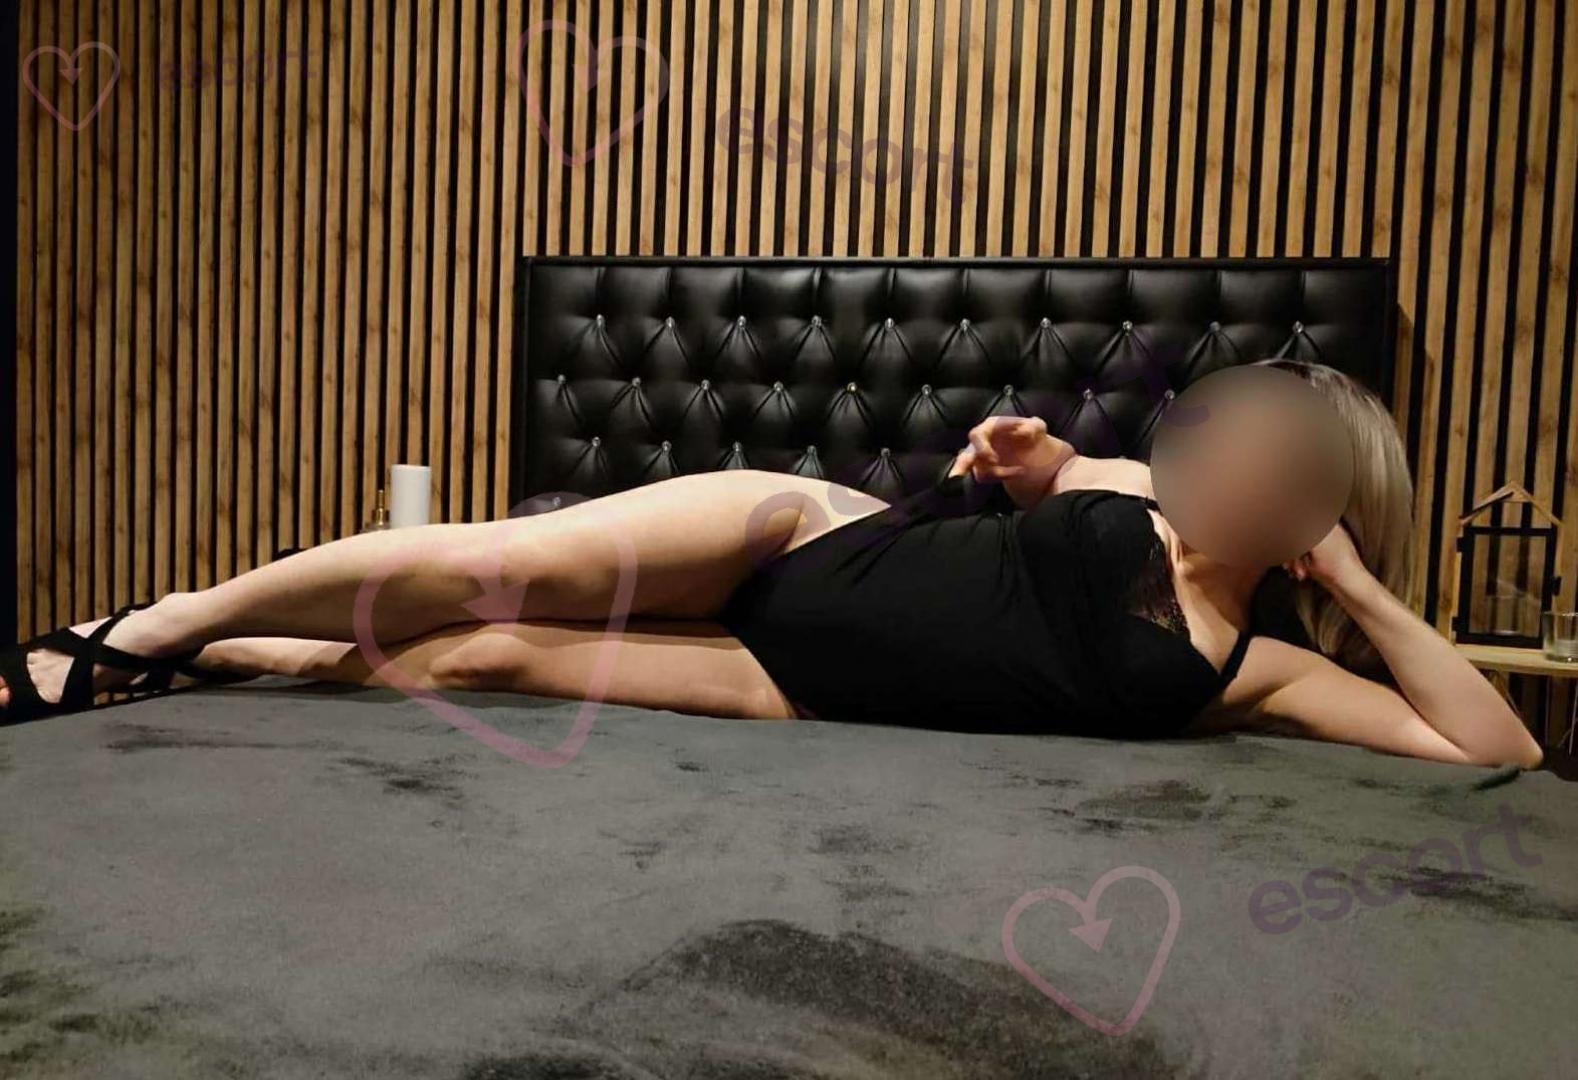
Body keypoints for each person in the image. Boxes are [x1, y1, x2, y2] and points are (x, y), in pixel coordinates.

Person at [0, 360, 1542, 769]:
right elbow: (1044, 472)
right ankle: (151, 625)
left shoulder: (1252, 670)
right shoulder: (1134, 484)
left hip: (790, 685)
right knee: (487, 568)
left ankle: (223, 659)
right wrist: (1023, 462)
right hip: (811, 539)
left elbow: (1495, 748)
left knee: (478, 661)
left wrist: (1354, 587)